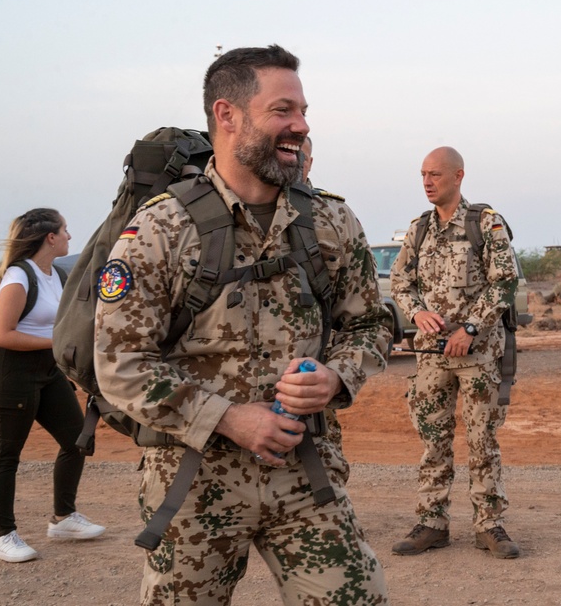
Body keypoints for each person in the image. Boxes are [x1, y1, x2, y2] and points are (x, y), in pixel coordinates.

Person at [93, 45, 391, 604]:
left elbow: (371, 325)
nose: (301, 125)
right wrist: (229, 418)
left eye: (302, 111)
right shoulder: (160, 228)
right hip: (193, 486)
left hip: (306, 477)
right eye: (283, 110)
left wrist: (336, 377)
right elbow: (121, 365)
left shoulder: (330, 220)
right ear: (227, 115)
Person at [389, 146, 521, 559]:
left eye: (435, 175)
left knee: (483, 440)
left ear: (458, 176)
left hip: (478, 355)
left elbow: (505, 281)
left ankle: (489, 525)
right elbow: (400, 283)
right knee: (433, 440)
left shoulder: (485, 223)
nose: (427, 182)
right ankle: (432, 522)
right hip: (430, 356)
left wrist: (470, 327)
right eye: (423, 175)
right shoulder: (419, 230)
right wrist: (417, 312)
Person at [0, 209, 105, 563]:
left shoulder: (55, 273)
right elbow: (3, 335)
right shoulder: (18, 277)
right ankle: (3, 537)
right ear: (50, 237)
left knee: (77, 438)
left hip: (46, 371)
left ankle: (63, 518)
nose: (69, 235)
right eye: (64, 229)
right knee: (7, 455)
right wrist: (57, 343)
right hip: (8, 374)